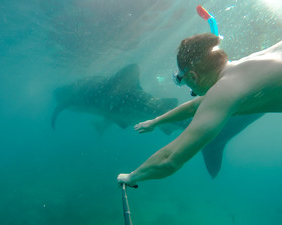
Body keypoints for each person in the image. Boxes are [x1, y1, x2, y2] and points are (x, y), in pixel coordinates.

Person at [117, 33, 282, 186]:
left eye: (181, 80)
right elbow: (195, 106)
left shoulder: (225, 89)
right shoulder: (243, 68)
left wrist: (132, 177)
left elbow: (169, 160)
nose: (189, 89)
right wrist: (156, 121)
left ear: (192, 77)